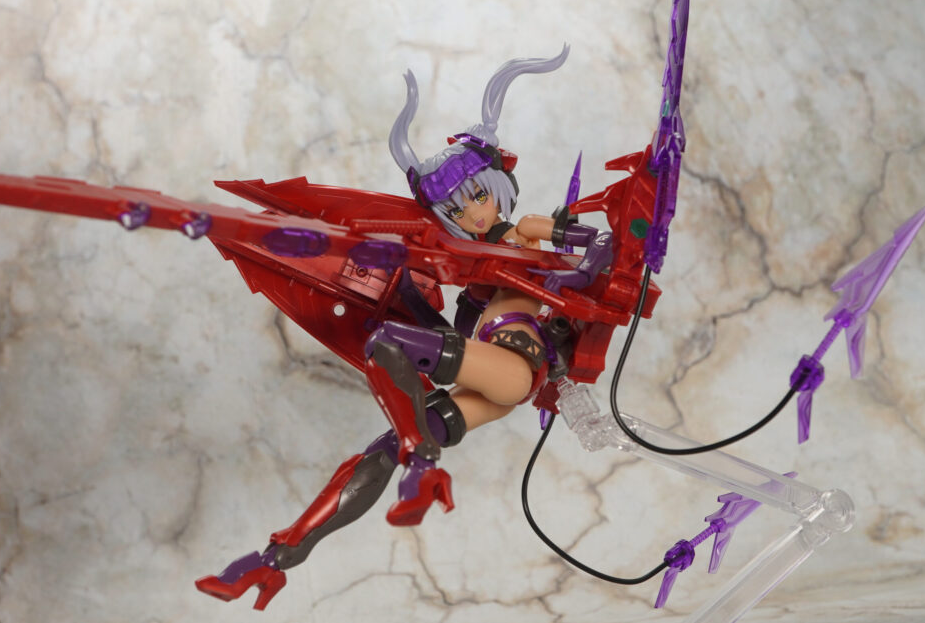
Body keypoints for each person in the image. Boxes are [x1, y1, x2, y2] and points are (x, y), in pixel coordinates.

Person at [195, 46, 614, 610]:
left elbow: (598, 241)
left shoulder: (522, 236)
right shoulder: (473, 269)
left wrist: (575, 275)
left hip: (518, 362)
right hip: (494, 381)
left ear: (496, 185)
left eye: (478, 196)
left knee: (387, 347)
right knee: (382, 449)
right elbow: (456, 324)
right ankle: (277, 559)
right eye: (456, 209)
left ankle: (422, 466)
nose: (473, 213)